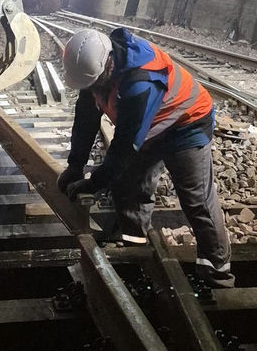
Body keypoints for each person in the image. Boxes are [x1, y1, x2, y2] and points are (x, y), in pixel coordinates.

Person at [58, 26, 234, 287]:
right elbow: (86, 117)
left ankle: (217, 273)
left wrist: (93, 183)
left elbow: (124, 146)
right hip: (151, 128)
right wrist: (75, 165)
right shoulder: (96, 70)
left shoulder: (139, 82)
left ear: (108, 65)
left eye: (93, 83)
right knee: (129, 189)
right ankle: (136, 255)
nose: (91, 89)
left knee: (196, 200)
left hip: (187, 125)